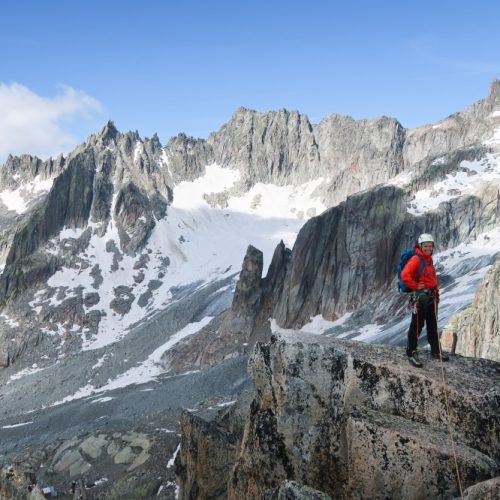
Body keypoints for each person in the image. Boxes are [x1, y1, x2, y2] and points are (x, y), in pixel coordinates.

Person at [401, 233, 449, 367]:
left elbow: (432, 280)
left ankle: (435, 351)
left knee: (433, 325)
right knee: (417, 326)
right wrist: (416, 286)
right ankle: (411, 351)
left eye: (430, 246)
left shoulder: (428, 260)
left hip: (431, 298)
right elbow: (405, 275)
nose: (428, 248)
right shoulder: (417, 259)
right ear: (421, 246)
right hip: (420, 299)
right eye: (426, 246)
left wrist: (437, 294)